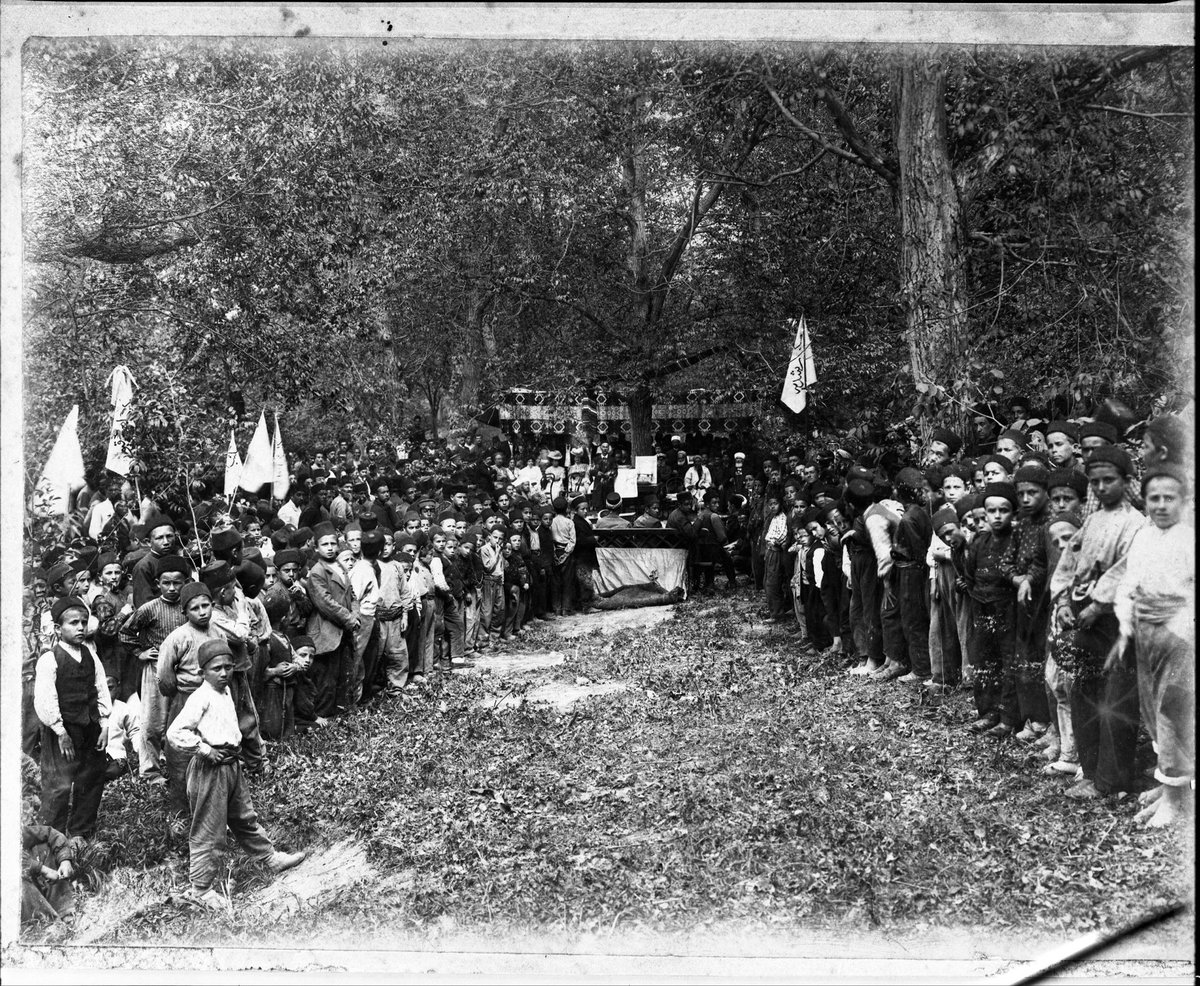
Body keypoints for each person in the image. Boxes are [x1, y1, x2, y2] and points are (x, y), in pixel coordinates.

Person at [165, 638, 305, 911]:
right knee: (209, 828)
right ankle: (201, 888)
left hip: (231, 764)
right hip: (210, 768)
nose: (224, 673)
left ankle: (268, 857)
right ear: (202, 672)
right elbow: (175, 732)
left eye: (228, 667)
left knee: (244, 817)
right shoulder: (200, 697)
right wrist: (204, 749)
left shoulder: (226, 691)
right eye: (216, 668)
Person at [1049, 446, 1145, 800]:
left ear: (1126, 481)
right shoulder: (1092, 520)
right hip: (1083, 614)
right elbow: (1069, 562)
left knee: (1116, 700)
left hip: (1116, 620)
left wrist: (1099, 604)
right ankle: (1089, 771)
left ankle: (1112, 780)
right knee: (1084, 693)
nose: (1102, 487)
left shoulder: (1136, 523)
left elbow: (1127, 570)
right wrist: (1062, 600)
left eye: (1110, 480)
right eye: (1096, 482)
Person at [1111, 463, 1194, 826]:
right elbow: (1128, 584)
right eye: (1153, 498)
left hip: (1180, 637)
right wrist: (1126, 627)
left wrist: (1179, 628)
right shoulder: (1143, 536)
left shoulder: (1189, 539)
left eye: (1169, 498)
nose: (1160, 505)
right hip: (1146, 637)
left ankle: (1177, 799)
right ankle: (1168, 785)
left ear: (1184, 500)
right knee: (1151, 711)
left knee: (1172, 712)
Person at [33, 596, 111, 840]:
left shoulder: (90, 655)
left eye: (84, 622)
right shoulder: (50, 660)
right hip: (64, 732)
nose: (80, 627)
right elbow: (46, 699)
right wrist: (60, 732)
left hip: (90, 726)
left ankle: (80, 830)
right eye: (73, 623)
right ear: (58, 629)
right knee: (59, 783)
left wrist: (105, 724)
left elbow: (101, 689)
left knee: (91, 777)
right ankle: (53, 836)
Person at [304, 523, 360, 718]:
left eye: (332, 543)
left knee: (342, 674)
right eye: (324, 544)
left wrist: (356, 613)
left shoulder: (340, 565)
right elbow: (325, 603)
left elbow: (352, 594)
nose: (329, 548)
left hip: (342, 630)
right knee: (325, 679)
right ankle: (323, 716)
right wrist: (349, 619)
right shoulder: (317, 572)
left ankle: (340, 713)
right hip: (326, 630)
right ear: (316, 548)